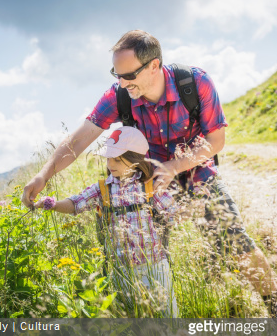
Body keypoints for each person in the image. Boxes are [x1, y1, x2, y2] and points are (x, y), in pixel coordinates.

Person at [22, 29, 277, 316]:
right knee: (145, 258)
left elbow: (216, 141)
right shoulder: (118, 96)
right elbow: (79, 139)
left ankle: (273, 305)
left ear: (153, 65)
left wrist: (174, 166)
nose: (121, 82)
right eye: (116, 75)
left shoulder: (195, 83)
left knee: (236, 244)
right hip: (148, 187)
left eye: (129, 75)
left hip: (197, 174)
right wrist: (43, 175)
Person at [34, 126, 179, 317]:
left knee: (168, 319)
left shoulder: (151, 186)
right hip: (121, 271)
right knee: (133, 322)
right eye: (108, 158)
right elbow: (76, 203)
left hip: (155, 268)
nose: (110, 163)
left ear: (135, 160)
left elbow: (174, 214)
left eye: (117, 159)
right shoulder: (103, 189)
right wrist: (52, 204)